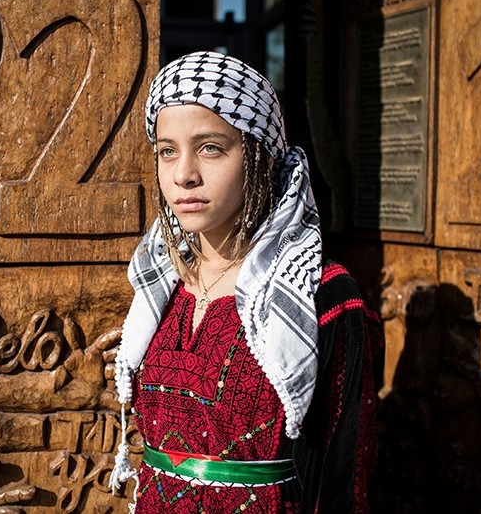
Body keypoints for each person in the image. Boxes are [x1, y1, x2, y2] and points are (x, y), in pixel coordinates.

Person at [109, 51, 382, 513]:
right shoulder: (161, 288)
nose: (183, 174)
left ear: (257, 156)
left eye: (211, 148)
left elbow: (344, 472)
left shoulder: (322, 296)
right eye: (167, 150)